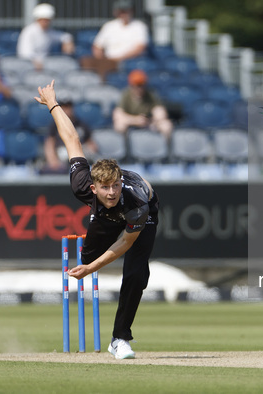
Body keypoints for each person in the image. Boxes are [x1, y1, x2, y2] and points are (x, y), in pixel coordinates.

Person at [35, 80, 160, 360]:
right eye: (105, 188)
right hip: (104, 215)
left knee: (137, 274)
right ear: (94, 188)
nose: (112, 192)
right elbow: (72, 139)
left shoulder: (136, 203)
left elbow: (125, 243)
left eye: (115, 186)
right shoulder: (82, 184)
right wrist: (53, 104)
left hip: (144, 212)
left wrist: (92, 268)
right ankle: (90, 261)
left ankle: (120, 339)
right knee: (87, 254)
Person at [82, 0, 149, 80]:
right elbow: (97, 46)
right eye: (121, 11)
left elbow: (140, 48)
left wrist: (119, 58)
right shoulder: (109, 26)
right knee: (86, 61)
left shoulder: (139, 26)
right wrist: (100, 58)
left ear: (131, 11)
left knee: (105, 67)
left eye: (126, 11)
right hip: (108, 60)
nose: (124, 14)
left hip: (129, 61)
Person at [42, 98, 98, 174]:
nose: (66, 110)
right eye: (64, 107)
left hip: (80, 152)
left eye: (68, 106)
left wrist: (92, 152)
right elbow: (49, 143)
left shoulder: (80, 123)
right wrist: (53, 160)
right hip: (62, 153)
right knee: (64, 154)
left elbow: (90, 143)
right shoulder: (55, 124)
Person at [112, 69, 173, 139]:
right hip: (131, 122)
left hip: (148, 123)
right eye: (136, 85)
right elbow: (117, 114)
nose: (139, 88)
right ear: (131, 85)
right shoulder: (126, 95)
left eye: (141, 85)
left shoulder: (150, 95)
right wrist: (135, 120)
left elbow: (160, 112)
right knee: (119, 125)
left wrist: (153, 120)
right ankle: (126, 148)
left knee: (166, 125)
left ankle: (165, 148)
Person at [17, 3, 75, 70]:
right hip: (29, 65)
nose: (45, 22)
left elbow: (63, 36)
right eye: (43, 19)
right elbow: (24, 53)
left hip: (45, 65)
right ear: (38, 19)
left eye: (48, 20)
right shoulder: (28, 31)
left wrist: (67, 41)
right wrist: (35, 62)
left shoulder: (49, 31)